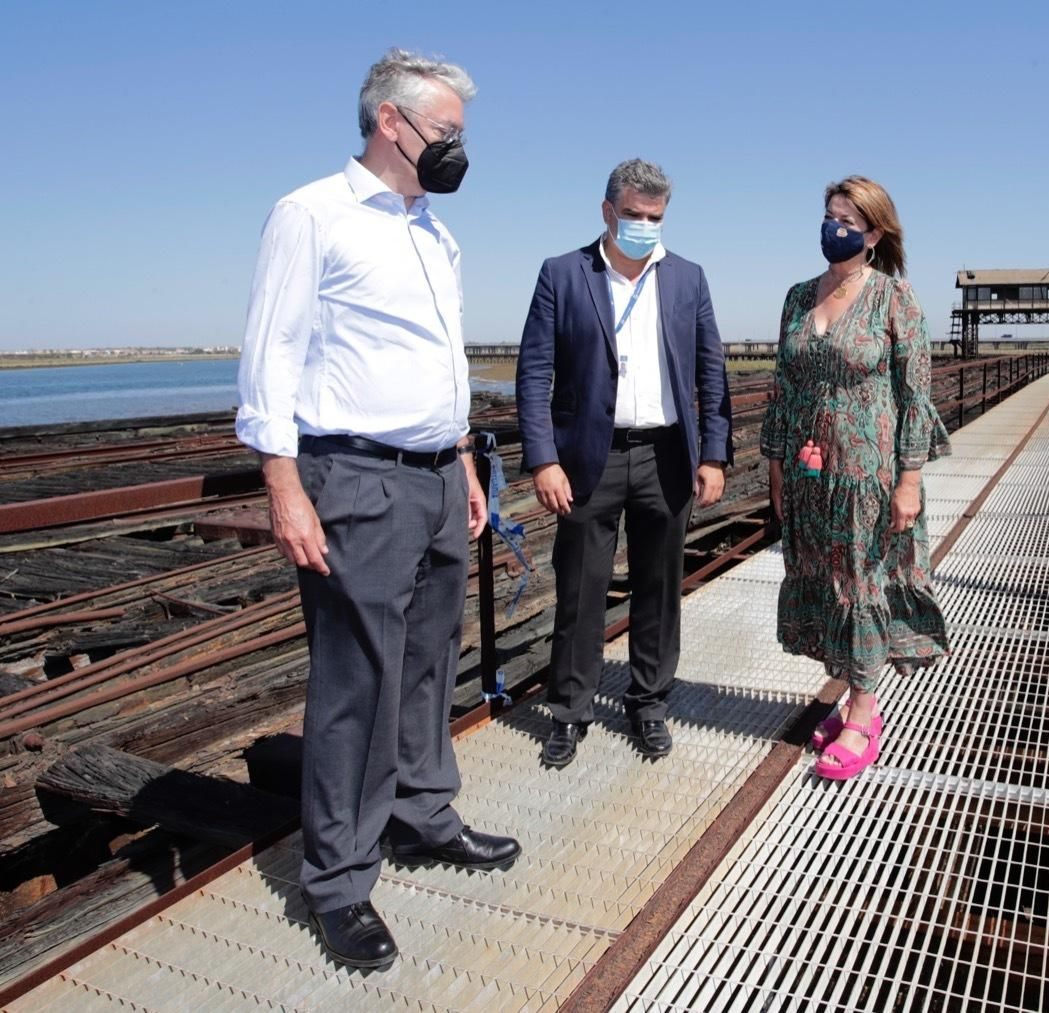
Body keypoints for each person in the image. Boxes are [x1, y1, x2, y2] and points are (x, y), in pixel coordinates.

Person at [235, 49, 520, 972]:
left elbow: (438, 360)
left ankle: (422, 813)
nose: (458, 148)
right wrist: (284, 484)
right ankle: (340, 879)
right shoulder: (311, 214)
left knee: (431, 658)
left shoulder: (433, 230)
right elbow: (271, 356)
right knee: (358, 678)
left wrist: (467, 459)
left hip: (440, 474)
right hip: (355, 475)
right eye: (448, 132)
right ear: (391, 122)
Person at [516, 159, 733, 768]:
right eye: (633, 215)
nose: (644, 226)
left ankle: (648, 704)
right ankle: (569, 711)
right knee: (580, 590)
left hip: (667, 455)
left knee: (659, 589)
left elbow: (710, 374)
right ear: (608, 211)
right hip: (590, 458)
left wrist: (714, 454)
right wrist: (543, 461)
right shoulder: (562, 274)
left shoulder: (687, 278)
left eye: (655, 218)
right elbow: (534, 375)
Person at [760, 176, 950, 781]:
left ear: (873, 233)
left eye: (847, 219)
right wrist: (775, 468)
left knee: (860, 583)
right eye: (828, 214)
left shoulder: (896, 299)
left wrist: (910, 482)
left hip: (868, 472)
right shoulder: (796, 296)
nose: (833, 227)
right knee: (819, 577)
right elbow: (783, 389)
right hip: (808, 471)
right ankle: (844, 687)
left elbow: (915, 397)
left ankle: (865, 712)